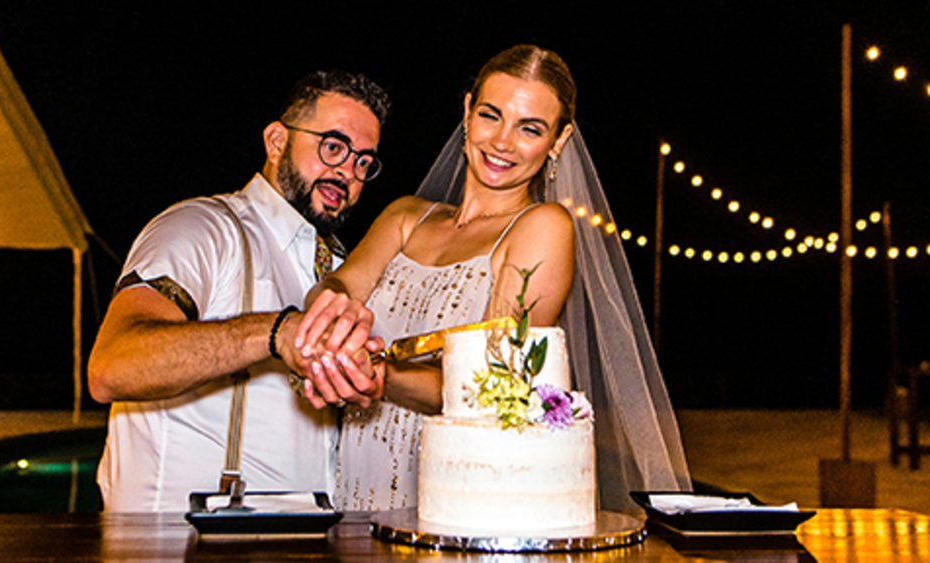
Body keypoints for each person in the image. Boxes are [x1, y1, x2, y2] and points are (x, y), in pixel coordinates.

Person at [297, 45, 692, 513]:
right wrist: (332, 314)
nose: (503, 142)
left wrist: (378, 376)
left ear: (559, 141)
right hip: (358, 461)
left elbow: (491, 382)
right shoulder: (405, 216)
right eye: (491, 115)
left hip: (452, 480)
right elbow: (339, 285)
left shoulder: (542, 228)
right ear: (467, 111)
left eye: (530, 129)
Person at [87, 70, 390, 512]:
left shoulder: (343, 271)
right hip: (181, 543)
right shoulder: (201, 227)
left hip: (303, 541)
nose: (347, 171)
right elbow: (112, 365)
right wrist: (276, 333)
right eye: (332, 146)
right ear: (276, 142)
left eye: (363, 161)